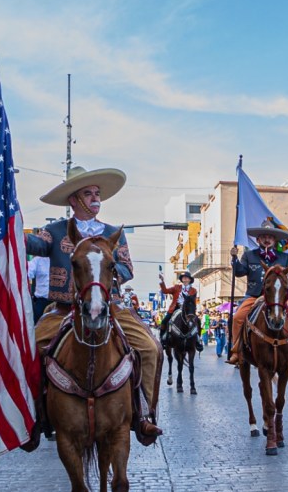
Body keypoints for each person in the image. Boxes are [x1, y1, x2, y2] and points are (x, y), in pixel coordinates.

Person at [24, 165, 162, 439]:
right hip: (63, 309)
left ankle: (145, 413)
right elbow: (34, 245)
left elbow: (127, 267)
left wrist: (107, 276)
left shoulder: (113, 233)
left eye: (97, 193)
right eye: (88, 193)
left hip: (111, 307)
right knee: (27, 351)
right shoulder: (54, 230)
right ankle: (34, 416)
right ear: (74, 200)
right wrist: (9, 228)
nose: (95, 198)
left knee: (151, 348)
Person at [226, 219, 288, 365]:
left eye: (270, 237)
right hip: (254, 296)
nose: (266, 239)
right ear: (258, 239)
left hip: (279, 297)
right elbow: (239, 272)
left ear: (274, 240)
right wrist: (234, 259)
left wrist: (282, 281)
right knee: (238, 317)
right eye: (263, 237)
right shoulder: (249, 255)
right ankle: (237, 350)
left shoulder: (284, 257)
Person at [158, 271, 203, 352]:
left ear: (190, 279)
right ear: (182, 279)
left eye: (186, 277)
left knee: (198, 321)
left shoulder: (194, 290)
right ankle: (163, 339)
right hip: (176, 307)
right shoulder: (176, 287)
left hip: (188, 310)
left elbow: (193, 302)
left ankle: (198, 340)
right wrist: (162, 281)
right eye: (183, 278)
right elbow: (165, 291)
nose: (184, 279)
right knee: (165, 320)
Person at [27, 255, 51, 323]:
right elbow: (27, 272)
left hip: (60, 303)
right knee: (37, 328)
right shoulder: (38, 260)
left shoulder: (64, 258)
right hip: (42, 302)